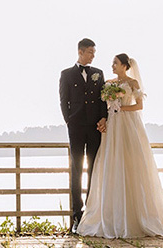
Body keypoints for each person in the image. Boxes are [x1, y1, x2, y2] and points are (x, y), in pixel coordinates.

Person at [77, 53, 163, 238]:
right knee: (111, 163)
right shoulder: (108, 83)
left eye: (115, 63)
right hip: (112, 127)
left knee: (132, 164)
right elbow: (104, 106)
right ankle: (110, 217)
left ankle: (136, 216)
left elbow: (139, 106)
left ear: (125, 65)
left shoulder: (133, 83)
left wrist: (121, 108)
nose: (112, 66)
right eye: (112, 63)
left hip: (128, 125)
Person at [59, 38, 108, 233]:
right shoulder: (67, 74)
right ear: (80, 52)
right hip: (76, 127)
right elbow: (63, 100)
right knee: (77, 170)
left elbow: (103, 99)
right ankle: (76, 216)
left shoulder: (98, 73)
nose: (93, 56)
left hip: (95, 127)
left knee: (94, 170)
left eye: (94, 53)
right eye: (90, 52)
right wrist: (69, 121)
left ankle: (92, 213)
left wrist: (104, 118)